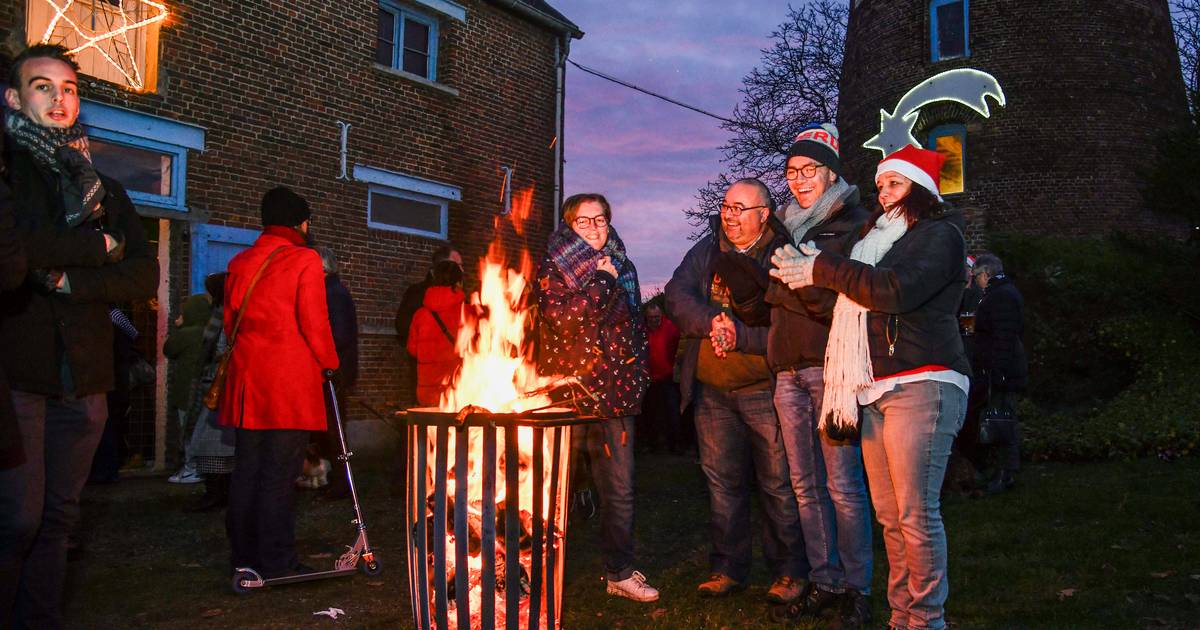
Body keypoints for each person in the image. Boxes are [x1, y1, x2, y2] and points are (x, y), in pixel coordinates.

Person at [772, 144, 970, 630]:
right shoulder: (874, 242)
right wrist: (802, 275)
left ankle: (925, 619)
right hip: (875, 387)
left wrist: (823, 268)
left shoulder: (939, 235)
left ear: (921, 189)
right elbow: (853, 298)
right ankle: (902, 617)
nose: (883, 194)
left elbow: (895, 290)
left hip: (923, 381)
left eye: (895, 184)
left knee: (916, 514)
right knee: (891, 518)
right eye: (879, 184)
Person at [0, 44, 158, 629]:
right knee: (18, 517)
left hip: (85, 375)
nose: (59, 98)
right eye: (43, 87)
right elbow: (15, 252)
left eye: (68, 88)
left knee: (60, 520)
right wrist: (95, 249)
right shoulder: (10, 173)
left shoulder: (102, 188)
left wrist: (70, 280)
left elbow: (142, 273)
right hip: (20, 369)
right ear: (16, 98)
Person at [725, 124, 874, 624]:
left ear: (830, 172)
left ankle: (858, 587)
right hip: (786, 371)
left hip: (830, 371)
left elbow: (843, 302)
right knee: (803, 485)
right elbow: (770, 305)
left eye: (809, 169)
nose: (799, 179)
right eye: (791, 171)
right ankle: (824, 579)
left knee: (843, 486)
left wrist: (804, 275)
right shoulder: (785, 228)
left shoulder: (853, 224)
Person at [664, 178, 805, 604]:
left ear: (765, 214)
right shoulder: (707, 250)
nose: (729, 215)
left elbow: (788, 327)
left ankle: (790, 571)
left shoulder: (783, 255)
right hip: (712, 392)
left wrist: (739, 333)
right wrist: (713, 322)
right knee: (722, 483)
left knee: (779, 484)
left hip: (765, 387)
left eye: (741, 209)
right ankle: (728, 567)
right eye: (726, 206)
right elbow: (676, 294)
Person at [536, 193, 658, 602]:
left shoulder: (623, 264)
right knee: (550, 489)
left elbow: (636, 325)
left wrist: (638, 373)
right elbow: (563, 319)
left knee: (619, 489)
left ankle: (619, 572)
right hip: (569, 396)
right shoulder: (555, 267)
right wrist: (601, 281)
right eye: (583, 221)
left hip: (616, 394)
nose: (594, 227)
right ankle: (529, 568)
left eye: (600, 219)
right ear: (569, 226)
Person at [221, 186, 338, 580]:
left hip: (248, 383)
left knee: (247, 472)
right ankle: (277, 561)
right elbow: (314, 322)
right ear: (299, 222)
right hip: (287, 383)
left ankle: (243, 557)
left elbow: (229, 324)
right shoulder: (304, 260)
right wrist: (330, 363)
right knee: (279, 476)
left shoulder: (239, 261)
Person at [970, 253, 1026, 493]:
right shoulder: (1004, 293)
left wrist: (998, 372)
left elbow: (1004, 337)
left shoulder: (1000, 296)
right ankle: (1001, 471)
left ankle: (1005, 474)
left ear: (985, 274)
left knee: (1001, 420)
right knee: (999, 418)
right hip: (1001, 368)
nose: (974, 282)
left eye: (976, 277)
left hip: (1002, 370)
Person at [182, 272, 236, 512]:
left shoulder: (223, 315)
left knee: (212, 440)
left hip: (218, 384)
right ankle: (220, 491)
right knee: (216, 441)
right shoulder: (223, 313)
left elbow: (221, 349)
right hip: (219, 383)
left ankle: (216, 492)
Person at [314, 246, 358, 500]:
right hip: (331, 371)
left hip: (334, 373)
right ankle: (329, 477)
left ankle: (342, 483)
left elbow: (339, 335)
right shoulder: (330, 291)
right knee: (327, 429)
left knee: (334, 431)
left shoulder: (334, 294)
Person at [163, 293, 212, 484]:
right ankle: (201, 468)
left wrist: (180, 327)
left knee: (187, 431)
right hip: (205, 390)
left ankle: (192, 468)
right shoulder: (210, 331)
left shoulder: (187, 333)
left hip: (186, 390)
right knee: (201, 429)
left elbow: (168, 349)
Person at [406, 256, 465, 407]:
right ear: (458, 283)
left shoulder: (420, 314)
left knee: (430, 430)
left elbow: (412, 349)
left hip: (426, 392)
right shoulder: (467, 312)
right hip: (457, 390)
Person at [638, 303, 681, 453]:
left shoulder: (670, 327)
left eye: (657, 317)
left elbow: (679, 347)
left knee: (672, 412)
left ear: (661, 315)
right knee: (650, 413)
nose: (654, 320)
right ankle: (652, 444)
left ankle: (675, 445)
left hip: (667, 377)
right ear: (646, 317)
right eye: (651, 318)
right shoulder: (642, 330)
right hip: (649, 379)